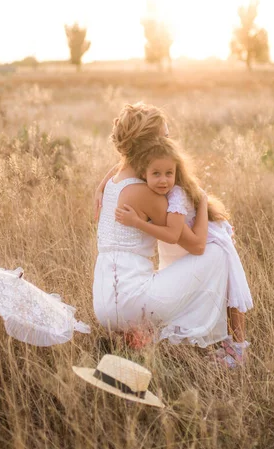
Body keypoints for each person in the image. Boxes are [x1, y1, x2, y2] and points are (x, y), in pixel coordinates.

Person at [92, 103, 230, 351]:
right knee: (218, 251)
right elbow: (197, 245)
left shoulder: (114, 182)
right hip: (133, 304)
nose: (170, 143)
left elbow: (123, 164)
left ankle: (139, 337)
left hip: (104, 305)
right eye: (166, 137)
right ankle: (195, 337)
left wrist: (100, 183)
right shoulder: (147, 194)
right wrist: (202, 200)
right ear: (152, 145)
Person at [115, 136, 252, 368]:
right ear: (143, 173)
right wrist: (101, 189)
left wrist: (136, 222)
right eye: (156, 173)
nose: (163, 180)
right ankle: (229, 345)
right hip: (188, 246)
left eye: (169, 173)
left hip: (211, 240)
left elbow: (171, 234)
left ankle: (238, 349)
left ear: (177, 172)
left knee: (232, 291)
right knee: (216, 291)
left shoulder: (177, 195)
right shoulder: (151, 191)